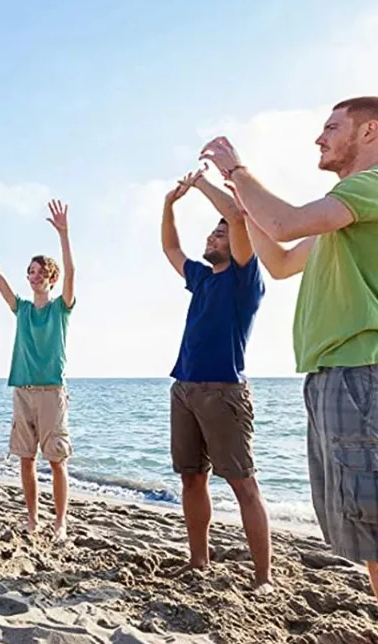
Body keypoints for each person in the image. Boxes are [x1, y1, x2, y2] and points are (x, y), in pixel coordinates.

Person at [201, 96, 378, 600]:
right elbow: (278, 260)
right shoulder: (345, 213)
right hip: (333, 374)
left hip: (361, 370)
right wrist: (241, 203)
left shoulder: (371, 186)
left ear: (369, 133)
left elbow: (285, 223)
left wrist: (238, 169)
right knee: (366, 524)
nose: (319, 138)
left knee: (375, 520)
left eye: (331, 127)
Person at [161, 167, 272, 591]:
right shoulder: (202, 278)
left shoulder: (246, 280)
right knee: (192, 477)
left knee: (243, 483)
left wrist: (202, 184)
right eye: (212, 232)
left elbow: (239, 219)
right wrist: (169, 205)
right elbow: (170, 246)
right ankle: (198, 562)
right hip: (184, 388)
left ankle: (263, 578)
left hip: (224, 392)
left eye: (219, 234)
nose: (212, 236)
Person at [0, 199, 75, 543]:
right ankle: (32, 519)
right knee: (26, 459)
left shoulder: (61, 308)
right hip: (23, 390)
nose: (34, 277)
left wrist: (64, 233)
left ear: (51, 277)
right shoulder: (21, 309)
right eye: (30, 272)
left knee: (57, 461)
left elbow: (72, 273)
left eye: (40, 272)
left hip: (51, 392)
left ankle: (60, 524)